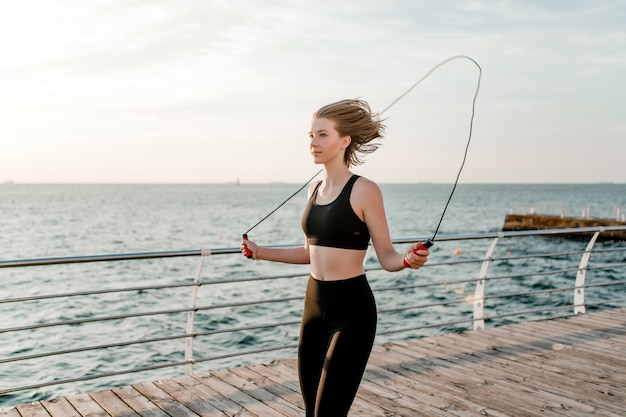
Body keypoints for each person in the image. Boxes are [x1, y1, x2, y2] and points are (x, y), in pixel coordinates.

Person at [241, 98, 430, 416]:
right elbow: (308, 253)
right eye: (311, 135)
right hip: (314, 307)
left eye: (322, 135)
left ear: (344, 141)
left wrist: (409, 259)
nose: (313, 142)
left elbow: (386, 256)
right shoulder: (313, 190)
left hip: (352, 312)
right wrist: (260, 252)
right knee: (310, 412)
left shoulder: (365, 190)